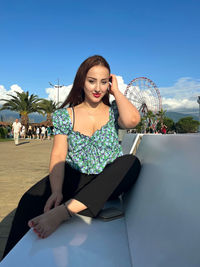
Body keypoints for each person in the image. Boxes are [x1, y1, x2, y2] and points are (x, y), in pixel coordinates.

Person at [2, 55, 141, 258]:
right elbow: (59, 153)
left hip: (104, 181)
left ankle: (64, 212)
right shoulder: (66, 115)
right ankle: (7, 260)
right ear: (81, 81)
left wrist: (117, 92)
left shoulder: (114, 112)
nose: (97, 88)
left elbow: (132, 121)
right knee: (28, 201)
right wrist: (56, 191)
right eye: (91, 80)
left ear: (109, 83)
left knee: (131, 163)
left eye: (104, 82)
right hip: (73, 177)